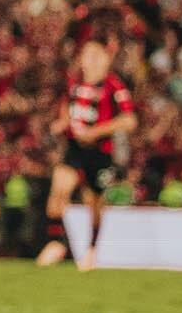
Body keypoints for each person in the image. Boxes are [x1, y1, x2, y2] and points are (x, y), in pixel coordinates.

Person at [34, 36, 137, 272]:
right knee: (58, 192)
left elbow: (130, 120)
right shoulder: (75, 84)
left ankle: (91, 249)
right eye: (85, 55)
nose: (88, 61)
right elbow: (68, 111)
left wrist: (95, 132)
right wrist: (61, 124)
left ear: (105, 60)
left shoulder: (114, 86)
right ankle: (56, 243)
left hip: (100, 152)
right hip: (74, 149)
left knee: (95, 204)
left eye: (94, 55)